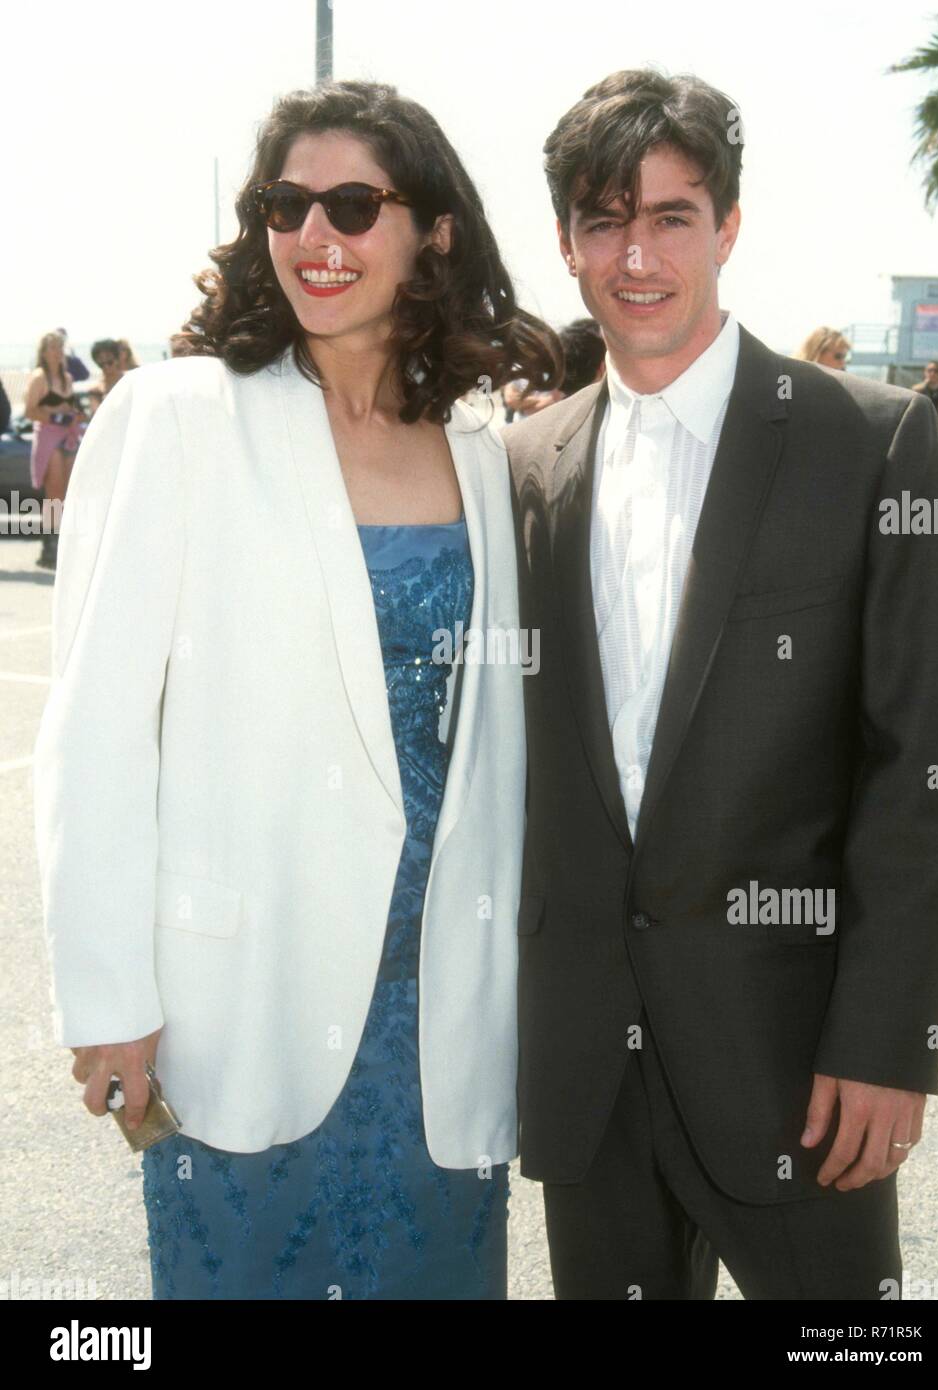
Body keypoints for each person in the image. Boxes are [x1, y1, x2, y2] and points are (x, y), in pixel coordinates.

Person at [34, 79, 560, 1301]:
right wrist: (108, 997)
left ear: (430, 229)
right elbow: (98, 732)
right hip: (245, 1000)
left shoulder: (481, 446)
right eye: (286, 204)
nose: (314, 236)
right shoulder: (177, 418)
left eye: (353, 204)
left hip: (440, 1010)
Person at [505, 67, 938, 1300]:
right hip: (589, 1086)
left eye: (671, 215)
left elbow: (921, 769)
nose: (637, 253)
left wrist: (889, 1046)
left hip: (806, 1076)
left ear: (729, 227)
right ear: (566, 242)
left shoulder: (870, 443)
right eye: (605, 220)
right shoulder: (517, 469)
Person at [23, 330, 84, 569]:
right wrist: (54, 416)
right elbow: (30, 411)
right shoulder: (39, 378)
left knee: (70, 493)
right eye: (53, 348)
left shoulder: (67, 378)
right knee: (54, 495)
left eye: (60, 348)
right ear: (44, 352)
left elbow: (69, 408)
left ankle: (65, 545)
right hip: (49, 438)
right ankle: (49, 547)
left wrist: (72, 416)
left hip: (67, 436)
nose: (58, 352)